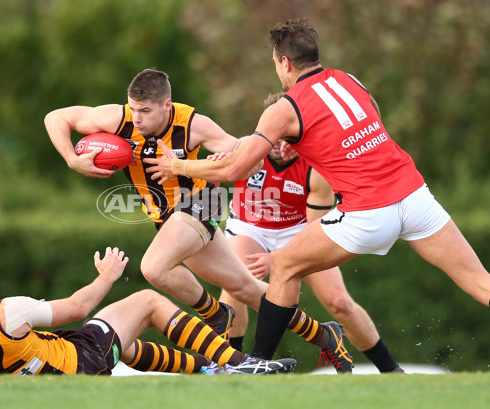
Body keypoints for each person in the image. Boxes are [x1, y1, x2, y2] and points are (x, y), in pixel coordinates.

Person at [144, 18, 490, 367]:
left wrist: (178, 167)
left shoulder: (283, 108)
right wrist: (311, 144)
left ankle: (259, 361)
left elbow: (235, 168)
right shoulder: (349, 80)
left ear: (285, 63)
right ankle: (387, 370)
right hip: (415, 195)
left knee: (283, 268)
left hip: (368, 210)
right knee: (479, 282)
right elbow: (368, 119)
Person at [44, 68, 353, 372]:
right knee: (246, 288)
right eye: (134, 109)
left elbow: (252, 160)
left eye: (145, 111)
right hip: (168, 217)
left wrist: (213, 160)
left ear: (167, 106)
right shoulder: (118, 119)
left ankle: (216, 315)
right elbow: (56, 117)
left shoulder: (193, 125)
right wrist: (72, 158)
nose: (137, 119)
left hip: (202, 203)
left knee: (153, 267)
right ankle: (325, 336)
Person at [218, 94, 402, 373]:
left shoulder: (316, 169)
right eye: (272, 134)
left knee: (340, 303)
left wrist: (281, 258)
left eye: (286, 135)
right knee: (237, 282)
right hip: (249, 227)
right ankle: (232, 366)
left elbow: (315, 230)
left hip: (298, 231)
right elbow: (211, 170)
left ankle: (390, 371)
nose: (278, 143)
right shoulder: (244, 149)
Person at [0, 236, 296, 376]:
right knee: (148, 301)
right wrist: (106, 275)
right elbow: (77, 307)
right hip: (79, 363)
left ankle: (207, 370)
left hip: (49, 371)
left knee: (126, 342)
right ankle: (239, 363)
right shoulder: (7, 310)